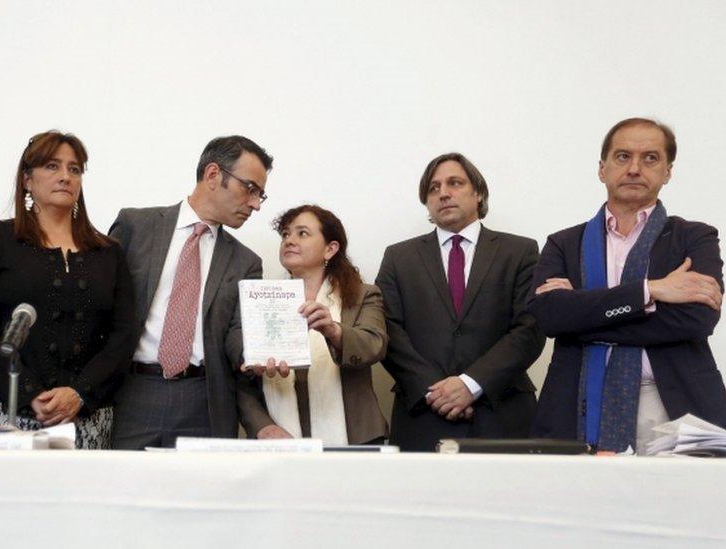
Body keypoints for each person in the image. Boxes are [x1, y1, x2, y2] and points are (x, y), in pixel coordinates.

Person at [529, 118, 726, 452]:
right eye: (622, 157)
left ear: (668, 172)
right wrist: (649, 292)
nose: (635, 168)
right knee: (580, 502)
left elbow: (695, 319)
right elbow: (550, 317)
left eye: (650, 158)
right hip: (579, 400)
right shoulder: (564, 243)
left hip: (672, 403)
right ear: (602, 168)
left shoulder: (695, 238)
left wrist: (583, 316)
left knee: (677, 504)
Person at [0, 131, 136, 448]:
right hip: (0, 408)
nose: (65, 177)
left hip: (86, 417)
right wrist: (29, 392)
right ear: (27, 180)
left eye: (74, 169)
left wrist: (80, 393)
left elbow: (123, 336)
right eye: (52, 166)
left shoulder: (108, 252)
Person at [108, 135, 282, 449]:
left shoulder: (246, 262)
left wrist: (257, 353)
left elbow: (238, 331)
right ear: (213, 175)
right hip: (132, 393)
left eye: (261, 195)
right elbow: (103, 306)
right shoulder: (136, 226)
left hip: (205, 402)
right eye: (250, 189)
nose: (256, 204)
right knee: (122, 493)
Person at [375, 153, 545, 451]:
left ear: (478, 192)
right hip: (423, 412)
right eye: (433, 188)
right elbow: (387, 330)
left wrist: (471, 383)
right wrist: (435, 393)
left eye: (455, 183)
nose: (444, 193)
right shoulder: (398, 258)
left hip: (501, 411)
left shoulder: (520, 251)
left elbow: (529, 328)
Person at [249, 205, 389, 445]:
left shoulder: (362, 295)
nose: (289, 240)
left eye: (302, 233)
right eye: (285, 234)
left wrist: (334, 331)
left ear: (330, 249)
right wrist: (262, 425)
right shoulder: (261, 300)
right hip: (280, 438)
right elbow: (240, 378)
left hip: (355, 436)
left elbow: (374, 345)